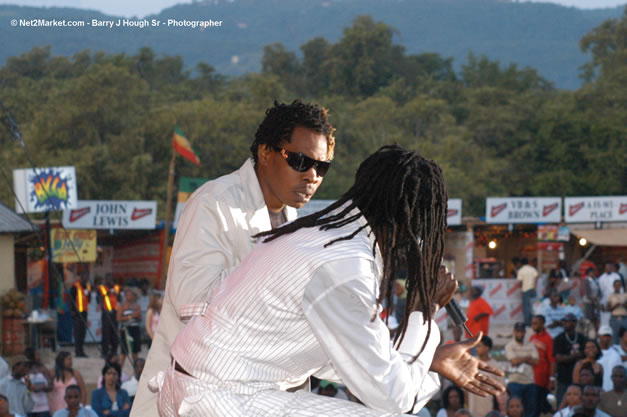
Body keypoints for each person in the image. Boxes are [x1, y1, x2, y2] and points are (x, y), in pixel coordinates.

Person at [152, 146, 505, 416]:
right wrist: (423, 309)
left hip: (211, 389)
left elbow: (361, 360)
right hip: (222, 399)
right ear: (410, 225)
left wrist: (429, 359)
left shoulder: (327, 236)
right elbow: (394, 399)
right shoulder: (345, 266)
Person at [132, 99, 336, 416]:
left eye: (321, 167)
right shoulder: (214, 203)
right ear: (266, 152)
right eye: (300, 161)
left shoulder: (296, 222)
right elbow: (194, 301)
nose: (312, 175)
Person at [505, 322, 539, 417]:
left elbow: (536, 361)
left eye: (522, 331)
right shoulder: (510, 345)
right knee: (514, 410)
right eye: (518, 331)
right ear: (514, 332)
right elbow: (514, 361)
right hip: (515, 381)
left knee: (530, 412)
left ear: (525, 332)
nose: (520, 333)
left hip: (529, 382)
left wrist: (520, 358)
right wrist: (528, 357)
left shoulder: (530, 345)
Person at [467, 336, 506, 417]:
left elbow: (501, 389)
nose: (476, 349)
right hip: (472, 408)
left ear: (487, 348)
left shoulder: (496, 366)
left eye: (479, 346)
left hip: (488, 409)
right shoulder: (471, 362)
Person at [554, 313, 587, 407]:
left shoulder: (581, 338)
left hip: (579, 380)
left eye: (571, 321)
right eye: (565, 321)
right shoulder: (559, 339)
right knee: (561, 405)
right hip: (563, 379)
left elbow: (585, 354)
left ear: (575, 323)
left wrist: (569, 357)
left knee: (579, 405)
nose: (568, 324)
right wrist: (574, 357)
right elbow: (558, 358)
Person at [529, 315, 555, 416]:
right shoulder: (532, 338)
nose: (533, 326)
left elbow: (552, 361)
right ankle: (552, 410)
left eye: (536, 323)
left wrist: (552, 379)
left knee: (536, 408)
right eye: (532, 323)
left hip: (542, 379)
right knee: (535, 406)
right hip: (531, 377)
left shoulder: (548, 339)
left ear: (542, 324)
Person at [117, 288, 142, 366]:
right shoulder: (122, 306)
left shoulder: (137, 306)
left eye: (131, 295)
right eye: (128, 295)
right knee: (124, 351)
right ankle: (120, 368)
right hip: (126, 329)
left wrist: (136, 316)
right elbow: (118, 318)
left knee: (135, 351)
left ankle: (136, 368)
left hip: (135, 328)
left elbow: (140, 319)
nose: (129, 297)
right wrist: (130, 316)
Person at [24, 347, 52, 417]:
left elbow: (51, 386)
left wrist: (43, 387)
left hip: (43, 408)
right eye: (36, 354)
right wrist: (31, 387)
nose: (39, 357)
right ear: (31, 356)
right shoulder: (24, 370)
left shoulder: (43, 368)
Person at [69, 274, 92, 358]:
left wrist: (88, 293)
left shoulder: (87, 287)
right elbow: (71, 298)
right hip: (77, 312)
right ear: (81, 278)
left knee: (83, 332)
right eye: (84, 278)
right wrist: (72, 310)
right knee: (78, 332)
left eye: (87, 278)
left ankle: (81, 350)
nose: (85, 280)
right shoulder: (75, 286)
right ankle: (77, 351)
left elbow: (89, 299)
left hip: (84, 312)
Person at [97, 277, 120, 359]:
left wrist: (115, 293)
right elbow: (98, 299)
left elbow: (119, 298)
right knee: (106, 333)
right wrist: (107, 293)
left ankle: (114, 351)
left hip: (115, 313)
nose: (110, 282)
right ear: (105, 280)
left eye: (111, 280)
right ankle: (105, 352)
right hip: (106, 313)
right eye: (108, 280)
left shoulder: (116, 288)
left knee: (114, 333)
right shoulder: (102, 288)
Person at [597, 326, 622, 392]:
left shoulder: (616, 355)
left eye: (608, 336)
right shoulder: (594, 353)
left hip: (612, 391)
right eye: (604, 336)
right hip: (596, 392)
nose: (606, 338)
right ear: (599, 336)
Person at [599, 263, 621, 328]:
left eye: (610, 267)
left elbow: (620, 288)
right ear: (605, 268)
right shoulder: (601, 278)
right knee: (605, 319)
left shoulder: (616, 276)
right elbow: (600, 291)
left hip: (615, 299)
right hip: (605, 300)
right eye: (607, 267)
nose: (608, 269)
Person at [517, 258, 538, 326]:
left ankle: (527, 322)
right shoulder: (532, 269)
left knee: (526, 307)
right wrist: (535, 287)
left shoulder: (521, 270)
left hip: (525, 290)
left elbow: (521, 282)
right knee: (533, 307)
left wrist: (521, 290)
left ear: (521, 263)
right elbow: (536, 277)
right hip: (532, 290)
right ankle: (534, 322)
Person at [606, 280, 627, 345]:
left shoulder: (625, 295)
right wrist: (615, 305)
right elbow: (608, 308)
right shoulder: (610, 296)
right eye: (617, 285)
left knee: (625, 336)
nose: (618, 287)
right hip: (615, 318)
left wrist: (624, 305)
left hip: (624, 318)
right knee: (615, 337)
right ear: (614, 286)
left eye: (619, 285)